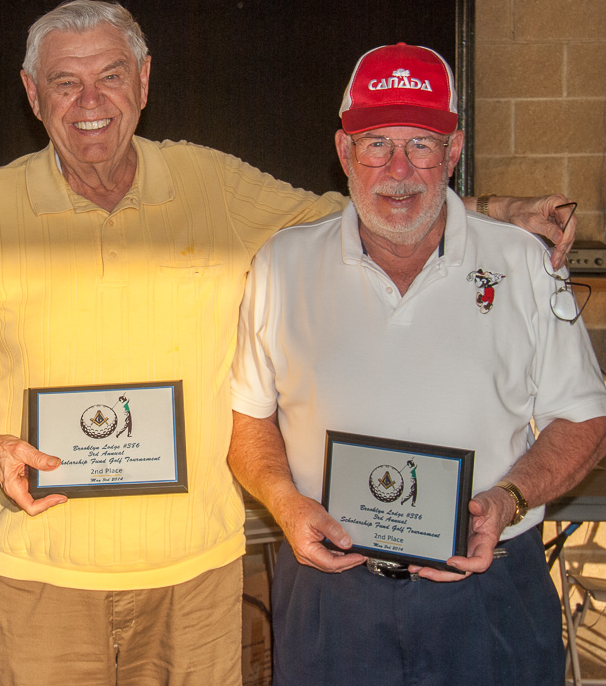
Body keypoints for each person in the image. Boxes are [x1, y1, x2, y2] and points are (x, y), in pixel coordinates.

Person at [0, 0, 578, 685]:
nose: (90, 101)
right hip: (37, 572)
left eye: (110, 76)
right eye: (64, 82)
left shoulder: (212, 185)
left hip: (193, 574)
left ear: (143, 81)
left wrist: (499, 210)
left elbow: (369, 201)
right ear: (31, 94)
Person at [229, 43, 606, 685]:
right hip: (332, 594)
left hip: (489, 591)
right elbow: (247, 420)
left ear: (452, 153)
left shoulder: (522, 264)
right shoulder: (282, 266)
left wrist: (508, 499)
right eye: (376, 144)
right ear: (345, 153)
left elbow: (585, 420)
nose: (398, 170)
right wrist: (285, 503)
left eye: (421, 145)